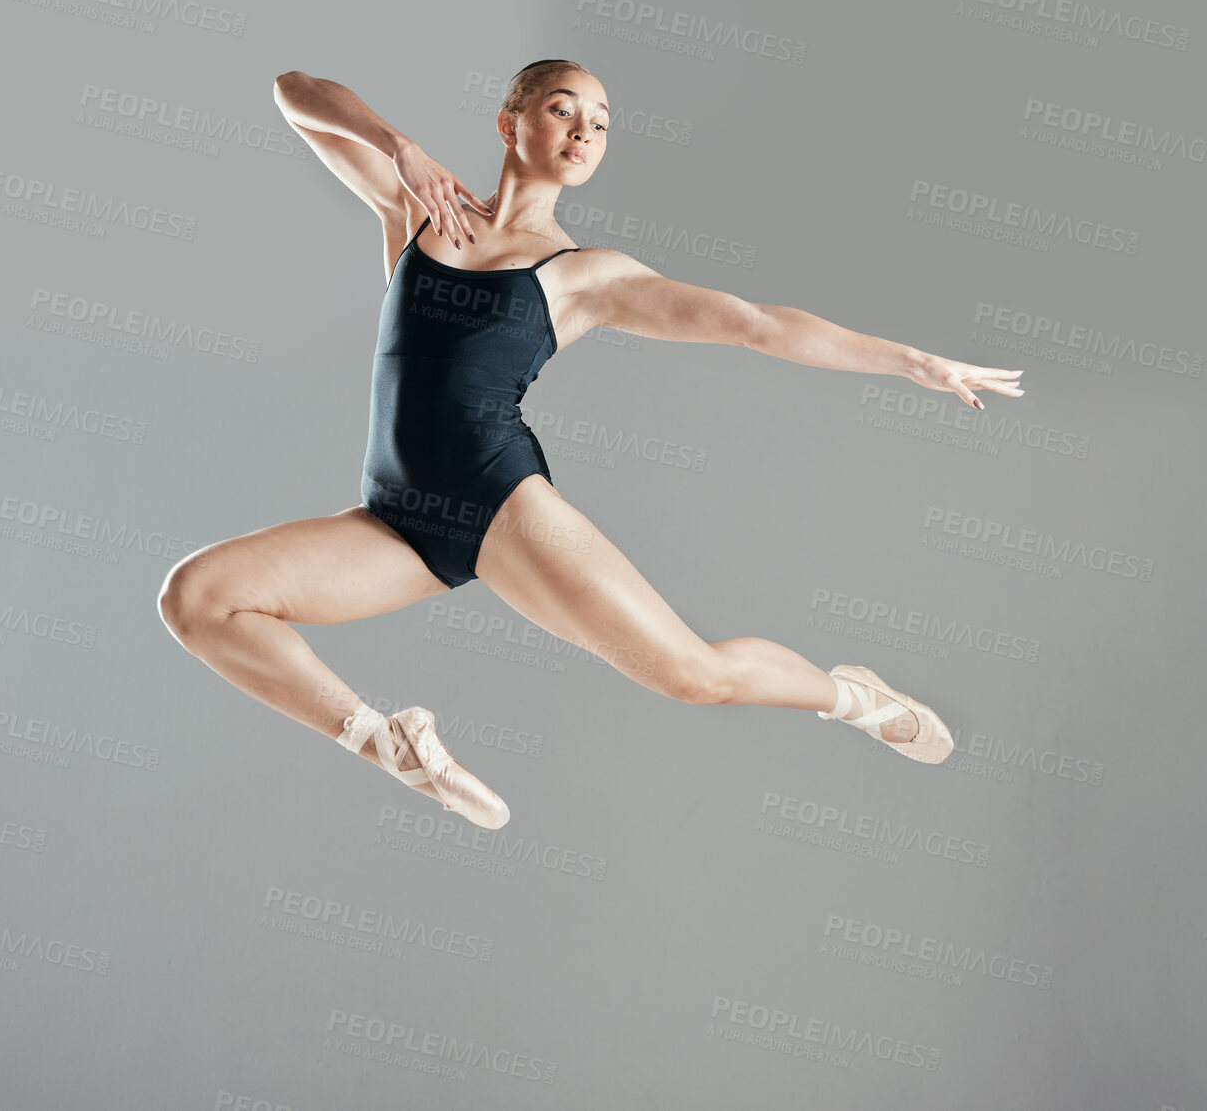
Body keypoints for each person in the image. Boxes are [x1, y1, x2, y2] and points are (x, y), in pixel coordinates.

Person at [158, 59, 1025, 830]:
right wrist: (400, 146)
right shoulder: (421, 211)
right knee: (198, 598)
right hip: (395, 520)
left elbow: (756, 325)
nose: (583, 131)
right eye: (564, 109)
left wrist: (909, 359)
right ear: (511, 123)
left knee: (694, 675)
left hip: (497, 499)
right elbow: (293, 92)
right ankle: (387, 745)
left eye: (601, 124)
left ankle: (852, 697)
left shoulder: (584, 276)